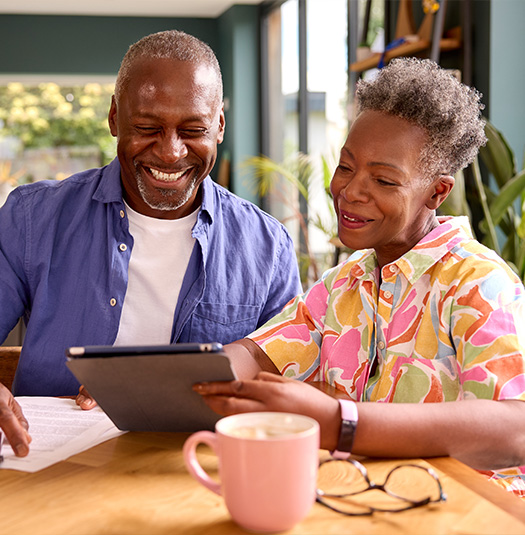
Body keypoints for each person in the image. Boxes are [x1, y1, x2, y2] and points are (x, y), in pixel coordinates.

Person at [195, 58, 525, 497]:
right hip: (366, 502)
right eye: (346, 167)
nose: (350, 191)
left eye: (385, 180)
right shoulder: (341, 285)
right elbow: (253, 356)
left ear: (437, 192)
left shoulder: (479, 284)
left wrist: (342, 422)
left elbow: (513, 428)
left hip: (467, 515)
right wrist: (173, 385)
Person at [0, 30, 301, 456]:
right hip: (46, 464)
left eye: (192, 128)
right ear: (114, 118)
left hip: (197, 469)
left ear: (218, 125)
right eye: (147, 128)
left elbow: (290, 387)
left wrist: (151, 394)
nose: (171, 152)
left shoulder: (267, 247)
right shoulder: (31, 218)